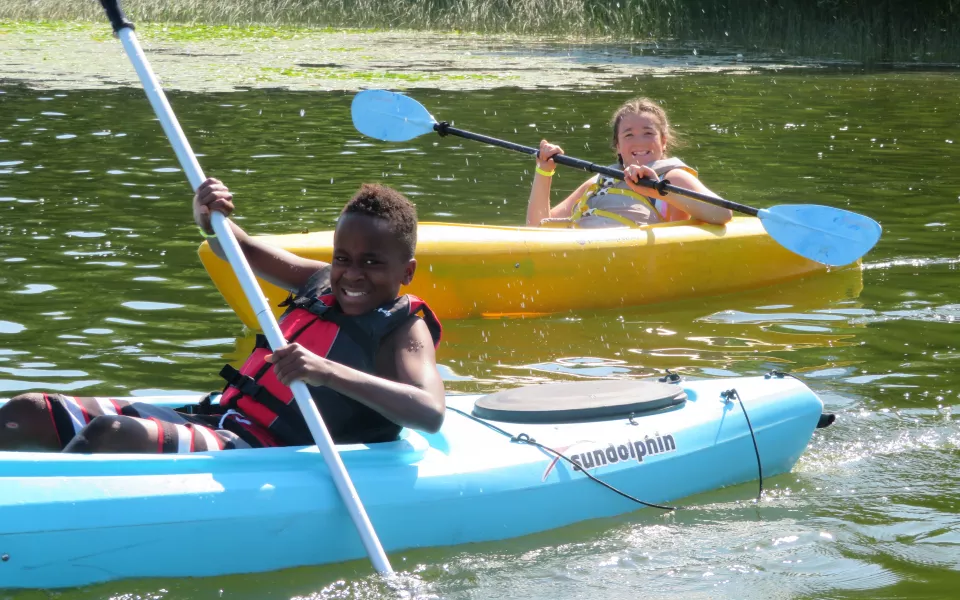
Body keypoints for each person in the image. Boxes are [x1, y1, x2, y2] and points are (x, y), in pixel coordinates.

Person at [0, 178, 445, 453]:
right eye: (343, 258)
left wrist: (325, 371)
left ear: (406, 272)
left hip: (268, 452)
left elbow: (429, 413)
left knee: (111, 434)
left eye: (372, 262)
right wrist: (209, 217)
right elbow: (235, 247)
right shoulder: (321, 282)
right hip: (219, 419)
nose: (352, 274)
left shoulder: (404, 328)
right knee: (28, 410)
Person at [526, 97, 733, 228]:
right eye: (628, 135)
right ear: (617, 145)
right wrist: (544, 171)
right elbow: (538, 227)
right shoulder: (601, 182)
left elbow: (722, 213)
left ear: (663, 141)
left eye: (648, 133)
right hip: (579, 252)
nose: (639, 142)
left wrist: (656, 191)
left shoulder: (671, 177)